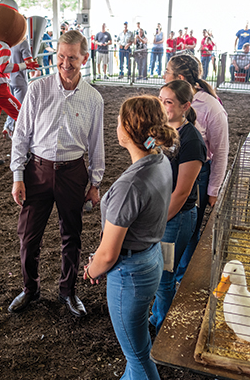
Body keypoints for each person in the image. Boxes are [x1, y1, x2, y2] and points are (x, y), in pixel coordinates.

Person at [8, 30, 104, 318]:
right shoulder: (38, 89)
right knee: (28, 236)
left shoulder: (93, 99)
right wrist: (18, 175)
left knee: (72, 235)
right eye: (61, 56)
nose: (66, 63)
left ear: (84, 58)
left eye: (72, 57)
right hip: (36, 170)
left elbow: (96, 143)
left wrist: (95, 182)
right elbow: (21, 135)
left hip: (73, 171)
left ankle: (68, 291)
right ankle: (29, 288)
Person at [83, 95, 177, 379]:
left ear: (126, 130)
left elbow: (109, 253)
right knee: (137, 342)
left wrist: (92, 269)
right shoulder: (159, 160)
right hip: (149, 259)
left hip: (129, 272)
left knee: (137, 354)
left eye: (118, 121)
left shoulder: (131, 184)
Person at [162, 54, 229, 290]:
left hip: (198, 174)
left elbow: (220, 150)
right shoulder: (168, 102)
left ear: (179, 78)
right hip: (168, 169)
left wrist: (213, 190)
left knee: (190, 229)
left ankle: (182, 278)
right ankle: (172, 277)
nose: (163, 76)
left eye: (167, 72)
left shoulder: (211, 106)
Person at [151, 80, 207, 331]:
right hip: (163, 211)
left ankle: (162, 326)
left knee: (164, 276)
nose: (163, 106)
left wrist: (158, 221)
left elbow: (183, 191)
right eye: (160, 100)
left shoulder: (192, 140)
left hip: (177, 216)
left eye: (169, 102)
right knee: (161, 273)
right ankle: (156, 317)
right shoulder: (161, 130)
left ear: (186, 106)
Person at [0, 0, 38, 168]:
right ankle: (26, 152)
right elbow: (5, 67)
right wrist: (26, 65)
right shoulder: (2, 46)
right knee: (23, 116)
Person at [2, 37, 33, 138]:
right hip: (19, 78)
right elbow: (28, 62)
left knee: (14, 105)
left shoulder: (7, 42)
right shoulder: (23, 42)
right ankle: (11, 128)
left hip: (8, 78)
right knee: (20, 108)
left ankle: (8, 126)